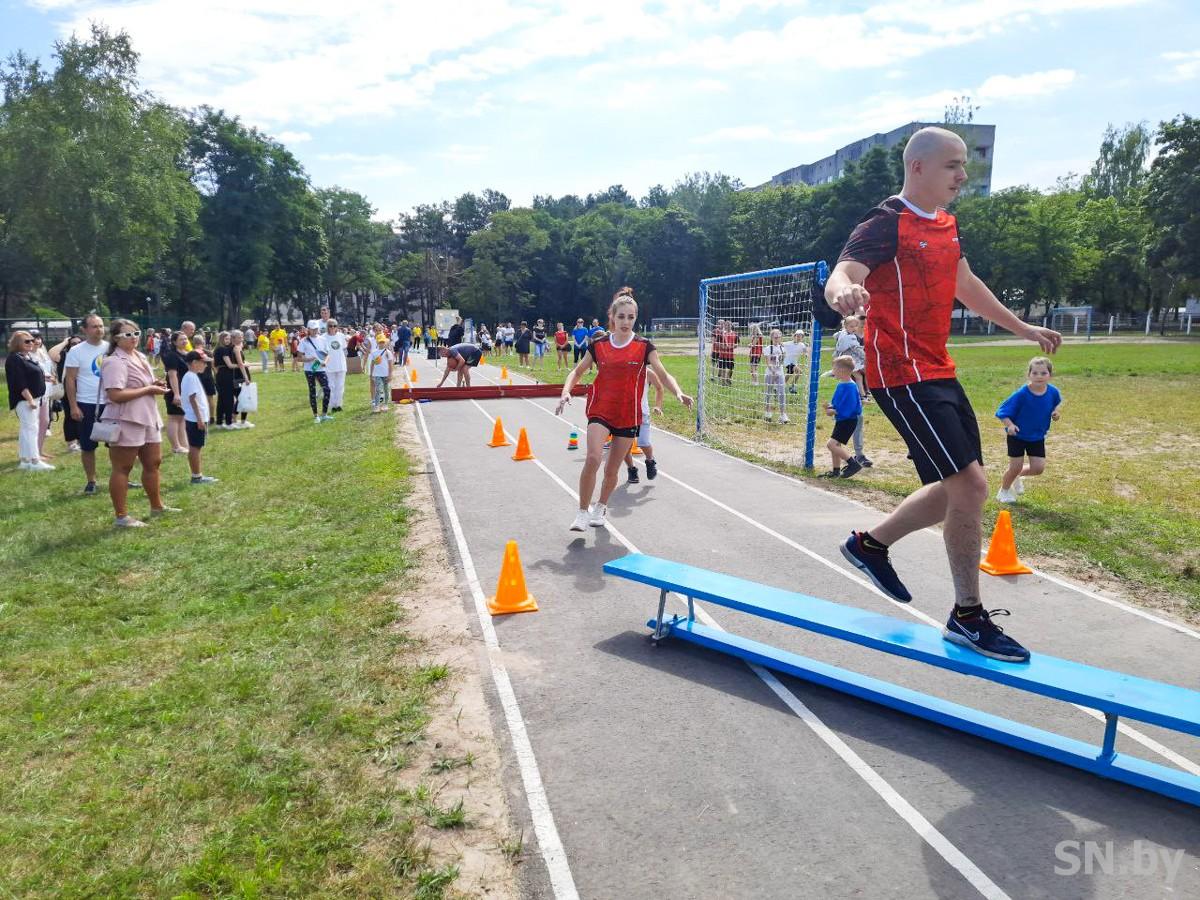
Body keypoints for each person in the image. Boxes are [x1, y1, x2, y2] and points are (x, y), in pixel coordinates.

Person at [826, 125, 1061, 663]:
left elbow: (966, 285)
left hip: (938, 369)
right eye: (953, 165)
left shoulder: (947, 225)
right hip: (901, 373)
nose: (962, 175)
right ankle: (967, 616)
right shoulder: (886, 222)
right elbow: (842, 273)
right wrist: (845, 293)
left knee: (956, 487)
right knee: (971, 485)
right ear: (918, 167)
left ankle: (869, 545)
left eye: (965, 165)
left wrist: (1022, 327)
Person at [556, 287, 693, 532]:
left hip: (628, 414)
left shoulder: (644, 346)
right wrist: (566, 391)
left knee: (611, 470)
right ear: (612, 316)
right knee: (593, 458)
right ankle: (582, 512)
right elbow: (577, 371)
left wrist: (679, 392)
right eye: (621, 317)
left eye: (631, 317)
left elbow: (663, 374)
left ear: (635, 318)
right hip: (601, 409)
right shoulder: (599, 345)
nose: (626, 322)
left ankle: (601, 506)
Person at [97, 319, 177, 527]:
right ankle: (122, 516)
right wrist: (148, 389)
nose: (133, 338)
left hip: (147, 416)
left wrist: (153, 384)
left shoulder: (140, 356)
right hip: (125, 419)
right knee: (123, 467)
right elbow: (115, 395)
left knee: (153, 463)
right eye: (127, 334)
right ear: (115, 338)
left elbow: (140, 385)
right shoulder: (114, 361)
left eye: (136, 333)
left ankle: (157, 506)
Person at [995, 356, 1062, 503]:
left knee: (1038, 468)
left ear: (1050, 375)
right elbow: (1002, 412)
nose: (1039, 376)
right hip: (1017, 436)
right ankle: (1003, 491)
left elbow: (1056, 404)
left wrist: (1055, 413)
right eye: (1035, 373)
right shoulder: (1021, 394)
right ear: (1029, 375)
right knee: (1015, 467)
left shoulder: (1053, 392)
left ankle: (1017, 477)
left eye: (1043, 373)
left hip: (1037, 436)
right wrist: (1010, 425)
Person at [64, 314, 109, 488]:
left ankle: (121, 477)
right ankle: (91, 481)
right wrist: (74, 406)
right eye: (94, 326)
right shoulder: (76, 351)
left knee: (117, 444)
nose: (99, 329)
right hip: (87, 404)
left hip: (111, 402)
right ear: (84, 329)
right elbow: (70, 380)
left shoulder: (111, 348)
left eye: (101, 325)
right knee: (88, 446)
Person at [5, 330, 53, 471]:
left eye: (32, 340)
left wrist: (45, 378)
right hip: (25, 400)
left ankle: (25, 460)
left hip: (34, 398)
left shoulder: (25, 356)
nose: (31, 343)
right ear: (17, 343)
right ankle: (35, 461)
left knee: (27, 428)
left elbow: (31, 374)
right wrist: (30, 399)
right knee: (31, 429)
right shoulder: (15, 359)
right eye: (27, 341)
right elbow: (19, 382)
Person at [833, 316, 871, 468]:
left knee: (858, 420)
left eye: (859, 325)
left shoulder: (856, 337)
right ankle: (841, 457)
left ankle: (858, 455)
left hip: (854, 390)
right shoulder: (849, 340)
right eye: (854, 325)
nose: (856, 328)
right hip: (848, 387)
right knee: (844, 422)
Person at [179, 351, 219, 485]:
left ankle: (197, 475)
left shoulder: (192, 376)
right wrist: (200, 419)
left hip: (195, 418)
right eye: (204, 363)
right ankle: (196, 477)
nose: (206, 365)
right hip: (195, 419)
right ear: (195, 363)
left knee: (196, 446)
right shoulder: (190, 377)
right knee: (195, 447)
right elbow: (192, 399)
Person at [822, 356, 864, 478]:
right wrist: (830, 407)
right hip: (842, 420)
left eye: (834, 368)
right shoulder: (842, 384)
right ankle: (836, 471)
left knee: (831, 444)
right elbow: (838, 403)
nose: (832, 371)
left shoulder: (850, 387)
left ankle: (853, 464)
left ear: (842, 371)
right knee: (836, 445)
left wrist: (833, 411)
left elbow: (850, 408)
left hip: (848, 421)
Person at [623, 368, 664, 483]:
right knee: (624, 447)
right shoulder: (622, 369)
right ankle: (631, 470)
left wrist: (658, 406)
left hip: (642, 413)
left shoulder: (648, 372)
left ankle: (650, 461)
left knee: (644, 442)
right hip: (624, 414)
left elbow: (660, 388)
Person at [161, 331, 191, 453]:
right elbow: (172, 375)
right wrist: (177, 394)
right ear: (174, 342)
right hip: (175, 390)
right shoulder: (172, 355)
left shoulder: (187, 354)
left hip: (186, 390)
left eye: (185, 339)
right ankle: (175, 446)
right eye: (181, 339)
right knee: (174, 418)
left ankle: (184, 444)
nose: (184, 341)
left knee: (182, 418)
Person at [299, 323, 332, 423]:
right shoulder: (304, 341)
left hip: (320, 369)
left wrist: (325, 362)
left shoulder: (323, 339)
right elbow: (299, 357)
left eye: (316, 329)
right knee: (312, 391)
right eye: (312, 329)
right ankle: (316, 416)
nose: (314, 331)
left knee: (327, 389)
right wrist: (309, 359)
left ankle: (324, 414)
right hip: (310, 369)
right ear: (308, 329)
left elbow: (327, 354)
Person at [213, 332, 240, 429]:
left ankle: (219, 422)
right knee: (229, 399)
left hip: (221, 375)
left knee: (221, 400)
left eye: (229, 339)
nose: (228, 341)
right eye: (226, 339)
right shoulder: (223, 349)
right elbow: (230, 365)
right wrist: (242, 365)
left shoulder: (217, 349)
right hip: (226, 375)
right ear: (221, 339)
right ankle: (229, 422)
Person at [228, 332, 254, 428]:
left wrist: (245, 363)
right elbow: (240, 364)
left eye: (242, 337)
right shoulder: (236, 348)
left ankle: (234, 418)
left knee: (241, 398)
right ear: (233, 338)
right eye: (239, 337)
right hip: (241, 376)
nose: (241, 339)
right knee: (244, 398)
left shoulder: (233, 348)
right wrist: (246, 377)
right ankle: (242, 421)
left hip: (236, 375)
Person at [190, 334, 218, 426]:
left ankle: (200, 417)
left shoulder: (191, 353)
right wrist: (217, 376)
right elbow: (213, 367)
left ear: (193, 342)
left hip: (197, 378)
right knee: (210, 398)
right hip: (208, 377)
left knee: (197, 399)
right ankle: (212, 417)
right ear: (203, 341)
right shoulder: (209, 352)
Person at [763, 328, 788, 424]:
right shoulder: (768, 348)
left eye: (779, 336)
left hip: (780, 373)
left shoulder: (782, 348)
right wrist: (773, 371)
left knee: (782, 393)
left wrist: (778, 371)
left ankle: (783, 415)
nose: (777, 338)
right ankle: (767, 412)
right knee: (768, 393)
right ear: (771, 337)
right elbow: (768, 362)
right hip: (770, 373)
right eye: (775, 336)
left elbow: (781, 361)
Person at [324, 319, 349, 412]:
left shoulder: (341, 336)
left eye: (334, 326)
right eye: (330, 326)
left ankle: (338, 405)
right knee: (331, 386)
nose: (332, 327)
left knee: (340, 386)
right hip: (329, 366)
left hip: (341, 365)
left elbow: (344, 349)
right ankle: (332, 406)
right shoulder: (323, 337)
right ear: (327, 327)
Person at [368, 340, 394, 412]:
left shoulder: (388, 352)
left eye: (383, 342)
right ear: (377, 343)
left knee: (386, 389)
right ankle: (377, 406)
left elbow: (390, 364)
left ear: (385, 343)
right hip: (377, 374)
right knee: (378, 389)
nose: (381, 344)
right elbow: (372, 364)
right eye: (380, 342)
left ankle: (385, 404)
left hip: (386, 374)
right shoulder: (374, 352)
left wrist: (390, 374)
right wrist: (371, 374)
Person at [784, 328, 807, 395]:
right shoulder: (788, 343)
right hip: (787, 362)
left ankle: (780, 386)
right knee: (799, 372)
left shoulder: (802, 345)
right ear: (794, 336)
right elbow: (780, 344)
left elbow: (805, 352)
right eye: (797, 336)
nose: (799, 338)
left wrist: (806, 355)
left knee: (789, 373)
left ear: (802, 338)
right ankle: (792, 386)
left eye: (801, 336)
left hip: (794, 362)